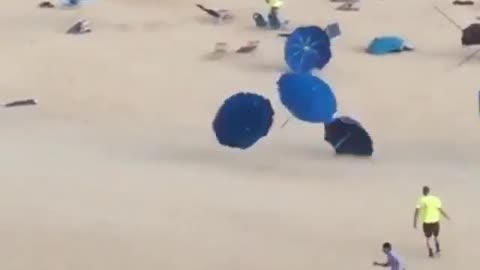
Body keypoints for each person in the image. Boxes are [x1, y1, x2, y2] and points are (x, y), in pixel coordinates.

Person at [413, 186, 450, 257]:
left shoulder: (421, 200)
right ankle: (437, 248)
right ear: (429, 191)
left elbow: (416, 212)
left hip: (427, 222)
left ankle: (430, 252)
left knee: (428, 239)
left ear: (423, 191)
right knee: (435, 236)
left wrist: (415, 222)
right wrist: (446, 216)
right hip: (435, 221)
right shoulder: (436, 199)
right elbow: (440, 210)